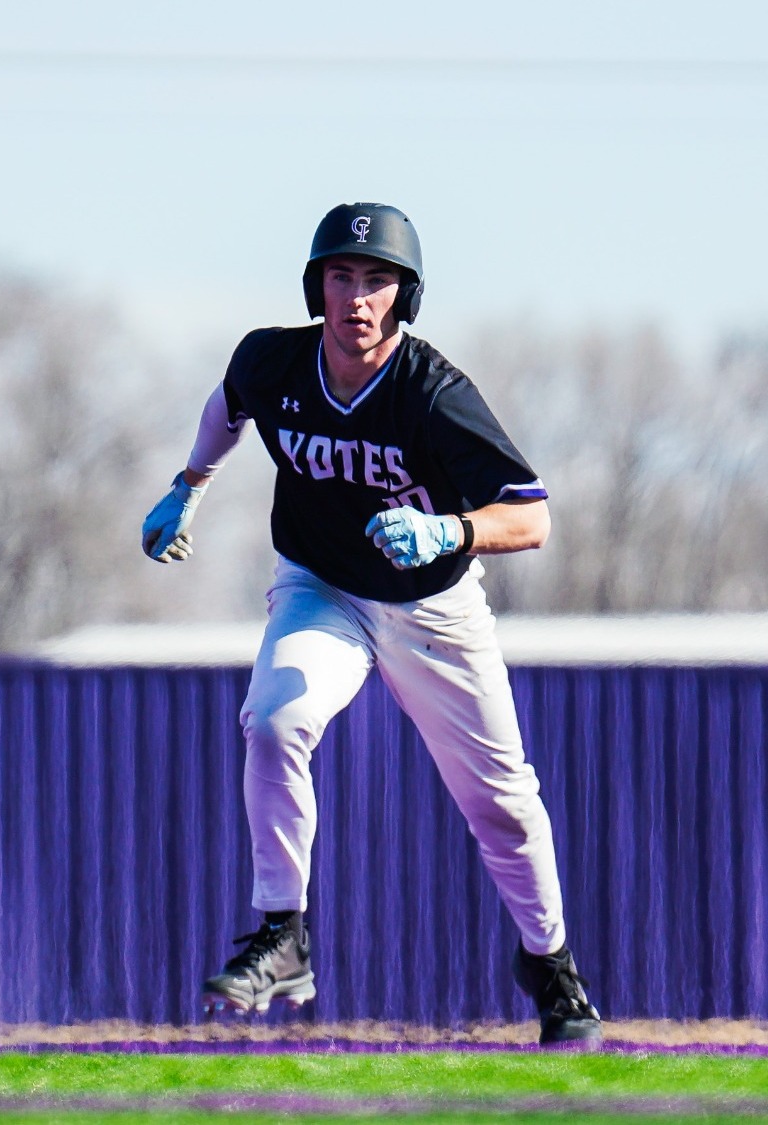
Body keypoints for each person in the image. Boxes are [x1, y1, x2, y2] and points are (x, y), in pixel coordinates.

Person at [139, 202, 603, 1046]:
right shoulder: (273, 358)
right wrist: (190, 482)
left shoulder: (431, 392)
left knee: (500, 800)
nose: (357, 297)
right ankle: (284, 933)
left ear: (405, 296)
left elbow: (533, 518)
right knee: (275, 722)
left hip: (433, 605)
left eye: (377, 280)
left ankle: (553, 967)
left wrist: (452, 529)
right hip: (323, 587)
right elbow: (228, 403)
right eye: (342, 277)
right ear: (317, 286)